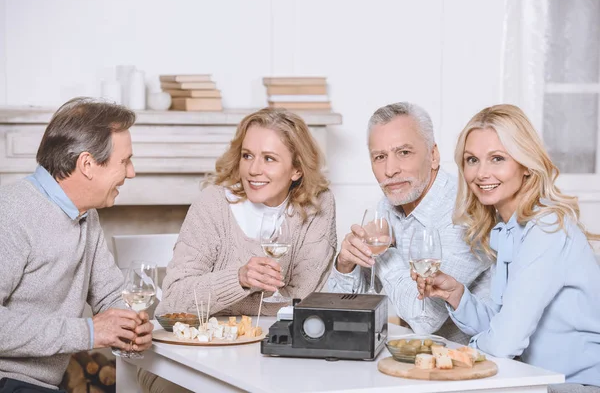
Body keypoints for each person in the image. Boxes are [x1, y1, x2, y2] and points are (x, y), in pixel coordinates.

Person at [139, 108, 337, 392]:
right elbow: (172, 304)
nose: (253, 169)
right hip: (187, 360)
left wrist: (224, 307)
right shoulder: (214, 204)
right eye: (247, 156)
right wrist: (239, 280)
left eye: (269, 158)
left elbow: (303, 300)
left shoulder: (318, 206)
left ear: (296, 169)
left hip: (271, 357)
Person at [414, 104, 600, 392]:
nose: (481, 173)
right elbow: (505, 322)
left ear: (525, 165)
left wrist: (460, 353)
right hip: (538, 381)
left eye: (497, 158)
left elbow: (505, 341)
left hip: (578, 384)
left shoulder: (546, 228)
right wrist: (457, 296)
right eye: (472, 160)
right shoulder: (509, 229)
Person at [0, 97, 154, 393]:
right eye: (124, 161)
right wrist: (88, 332)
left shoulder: (85, 214)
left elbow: (109, 293)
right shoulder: (11, 213)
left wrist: (131, 325)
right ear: (87, 164)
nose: (131, 172)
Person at [328, 102, 491, 344]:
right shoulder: (388, 205)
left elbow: (424, 317)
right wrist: (345, 264)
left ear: (433, 156)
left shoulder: (466, 213)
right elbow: (339, 311)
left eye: (404, 153)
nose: (390, 170)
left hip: (472, 366)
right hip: (414, 360)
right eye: (380, 157)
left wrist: (382, 253)